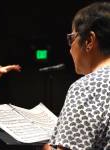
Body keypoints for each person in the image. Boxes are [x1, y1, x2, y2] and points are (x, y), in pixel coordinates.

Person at [43, 1, 110, 150]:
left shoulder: (88, 87)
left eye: (71, 38)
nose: (70, 50)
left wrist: (47, 147)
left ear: (89, 41)